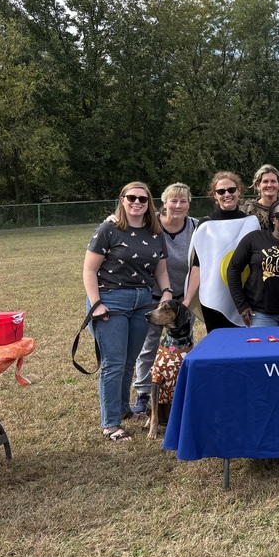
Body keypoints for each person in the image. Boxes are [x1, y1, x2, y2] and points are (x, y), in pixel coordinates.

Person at [82, 182, 171, 442]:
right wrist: (96, 304)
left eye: (143, 199)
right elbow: (89, 270)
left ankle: (123, 409)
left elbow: (161, 269)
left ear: (149, 203)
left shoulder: (155, 232)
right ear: (122, 200)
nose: (137, 202)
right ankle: (111, 424)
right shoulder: (108, 229)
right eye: (131, 197)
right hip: (110, 301)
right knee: (114, 363)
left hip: (143, 302)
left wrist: (166, 291)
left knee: (129, 361)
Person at [131, 182, 198, 416]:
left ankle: (180, 391)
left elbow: (201, 263)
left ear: (189, 204)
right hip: (154, 295)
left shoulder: (196, 227)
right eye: (173, 200)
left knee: (184, 346)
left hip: (184, 299)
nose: (178, 205)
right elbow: (124, 222)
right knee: (149, 345)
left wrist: (187, 301)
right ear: (164, 202)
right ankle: (143, 393)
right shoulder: (150, 224)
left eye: (183, 201)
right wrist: (111, 218)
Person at [186, 172, 259, 333]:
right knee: (217, 342)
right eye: (221, 191)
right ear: (215, 195)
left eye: (231, 190)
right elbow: (198, 264)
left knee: (245, 341)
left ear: (239, 191)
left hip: (244, 296)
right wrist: (188, 299)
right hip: (213, 296)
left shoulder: (251, 223)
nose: (227, 194)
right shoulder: (206, 224)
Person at [240, 164, 279, 230]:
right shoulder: (248, 210)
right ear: (258, 186)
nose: (269, 185)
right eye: (265, 181)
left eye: (273, 181)